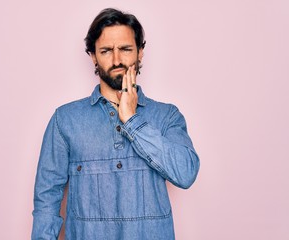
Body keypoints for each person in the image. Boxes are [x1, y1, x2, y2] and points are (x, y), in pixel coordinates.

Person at [31, 8, 200, 240]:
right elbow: (47, 199)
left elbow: (185, 173)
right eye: (106, 51)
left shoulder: (167, 116)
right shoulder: (65, 120)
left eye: (126, 49)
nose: (117, 59)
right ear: (93, 56)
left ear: (140, 53)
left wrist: (132, 120)